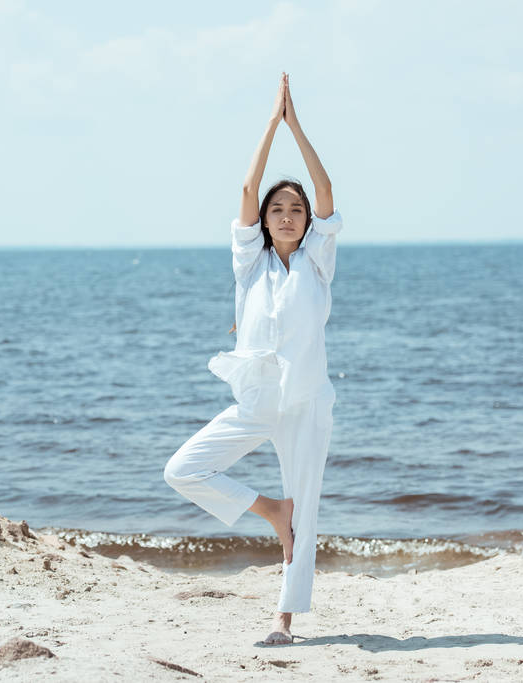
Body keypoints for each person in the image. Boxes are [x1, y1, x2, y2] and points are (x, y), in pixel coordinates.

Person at [163, 72, 342, 645]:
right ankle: (269, 509)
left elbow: (328, 188)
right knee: (183, 470)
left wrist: (299, 128)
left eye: (296, 208)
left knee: (307, 514)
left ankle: (283, 622)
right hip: (258, 401)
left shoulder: (317, 262)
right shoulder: (249, 265)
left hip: (307, 401)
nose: (287, 214)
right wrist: (271, 125)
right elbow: (246, 190)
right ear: (264, 220)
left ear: (307, 221)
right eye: (277, 209)